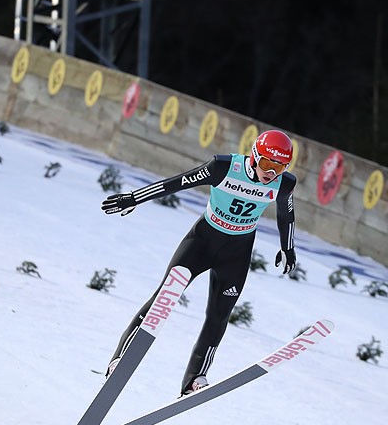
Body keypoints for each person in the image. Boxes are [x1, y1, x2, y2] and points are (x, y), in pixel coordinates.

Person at [100, 130, 298, 396]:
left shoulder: (284, 184)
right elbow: (176, 183)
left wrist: (288, 248)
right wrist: (134, 198)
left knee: (219, 315)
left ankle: (196, 377)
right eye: (266, 164)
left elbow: (286, 214)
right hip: (201, 243)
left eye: (279, 167)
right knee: (163, 298)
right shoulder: (223, 167)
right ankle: (121, 358)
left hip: (236, 255)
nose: (271, 173)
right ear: (254, 156)